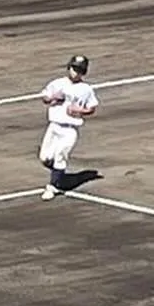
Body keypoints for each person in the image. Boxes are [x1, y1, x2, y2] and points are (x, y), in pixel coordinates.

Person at [38, 55, 97, 201]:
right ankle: (60, 173)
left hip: (70, 130)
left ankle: (53, 186)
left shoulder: (86, 89)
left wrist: (80, 111)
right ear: (69, 68)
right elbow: (45, 97)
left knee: (60, 156)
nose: (76, 73)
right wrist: (53, 98)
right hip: (54, 126)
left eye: (80, 71)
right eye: (74, 69)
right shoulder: (57, 83)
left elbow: (92, 108)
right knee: (45, 158)